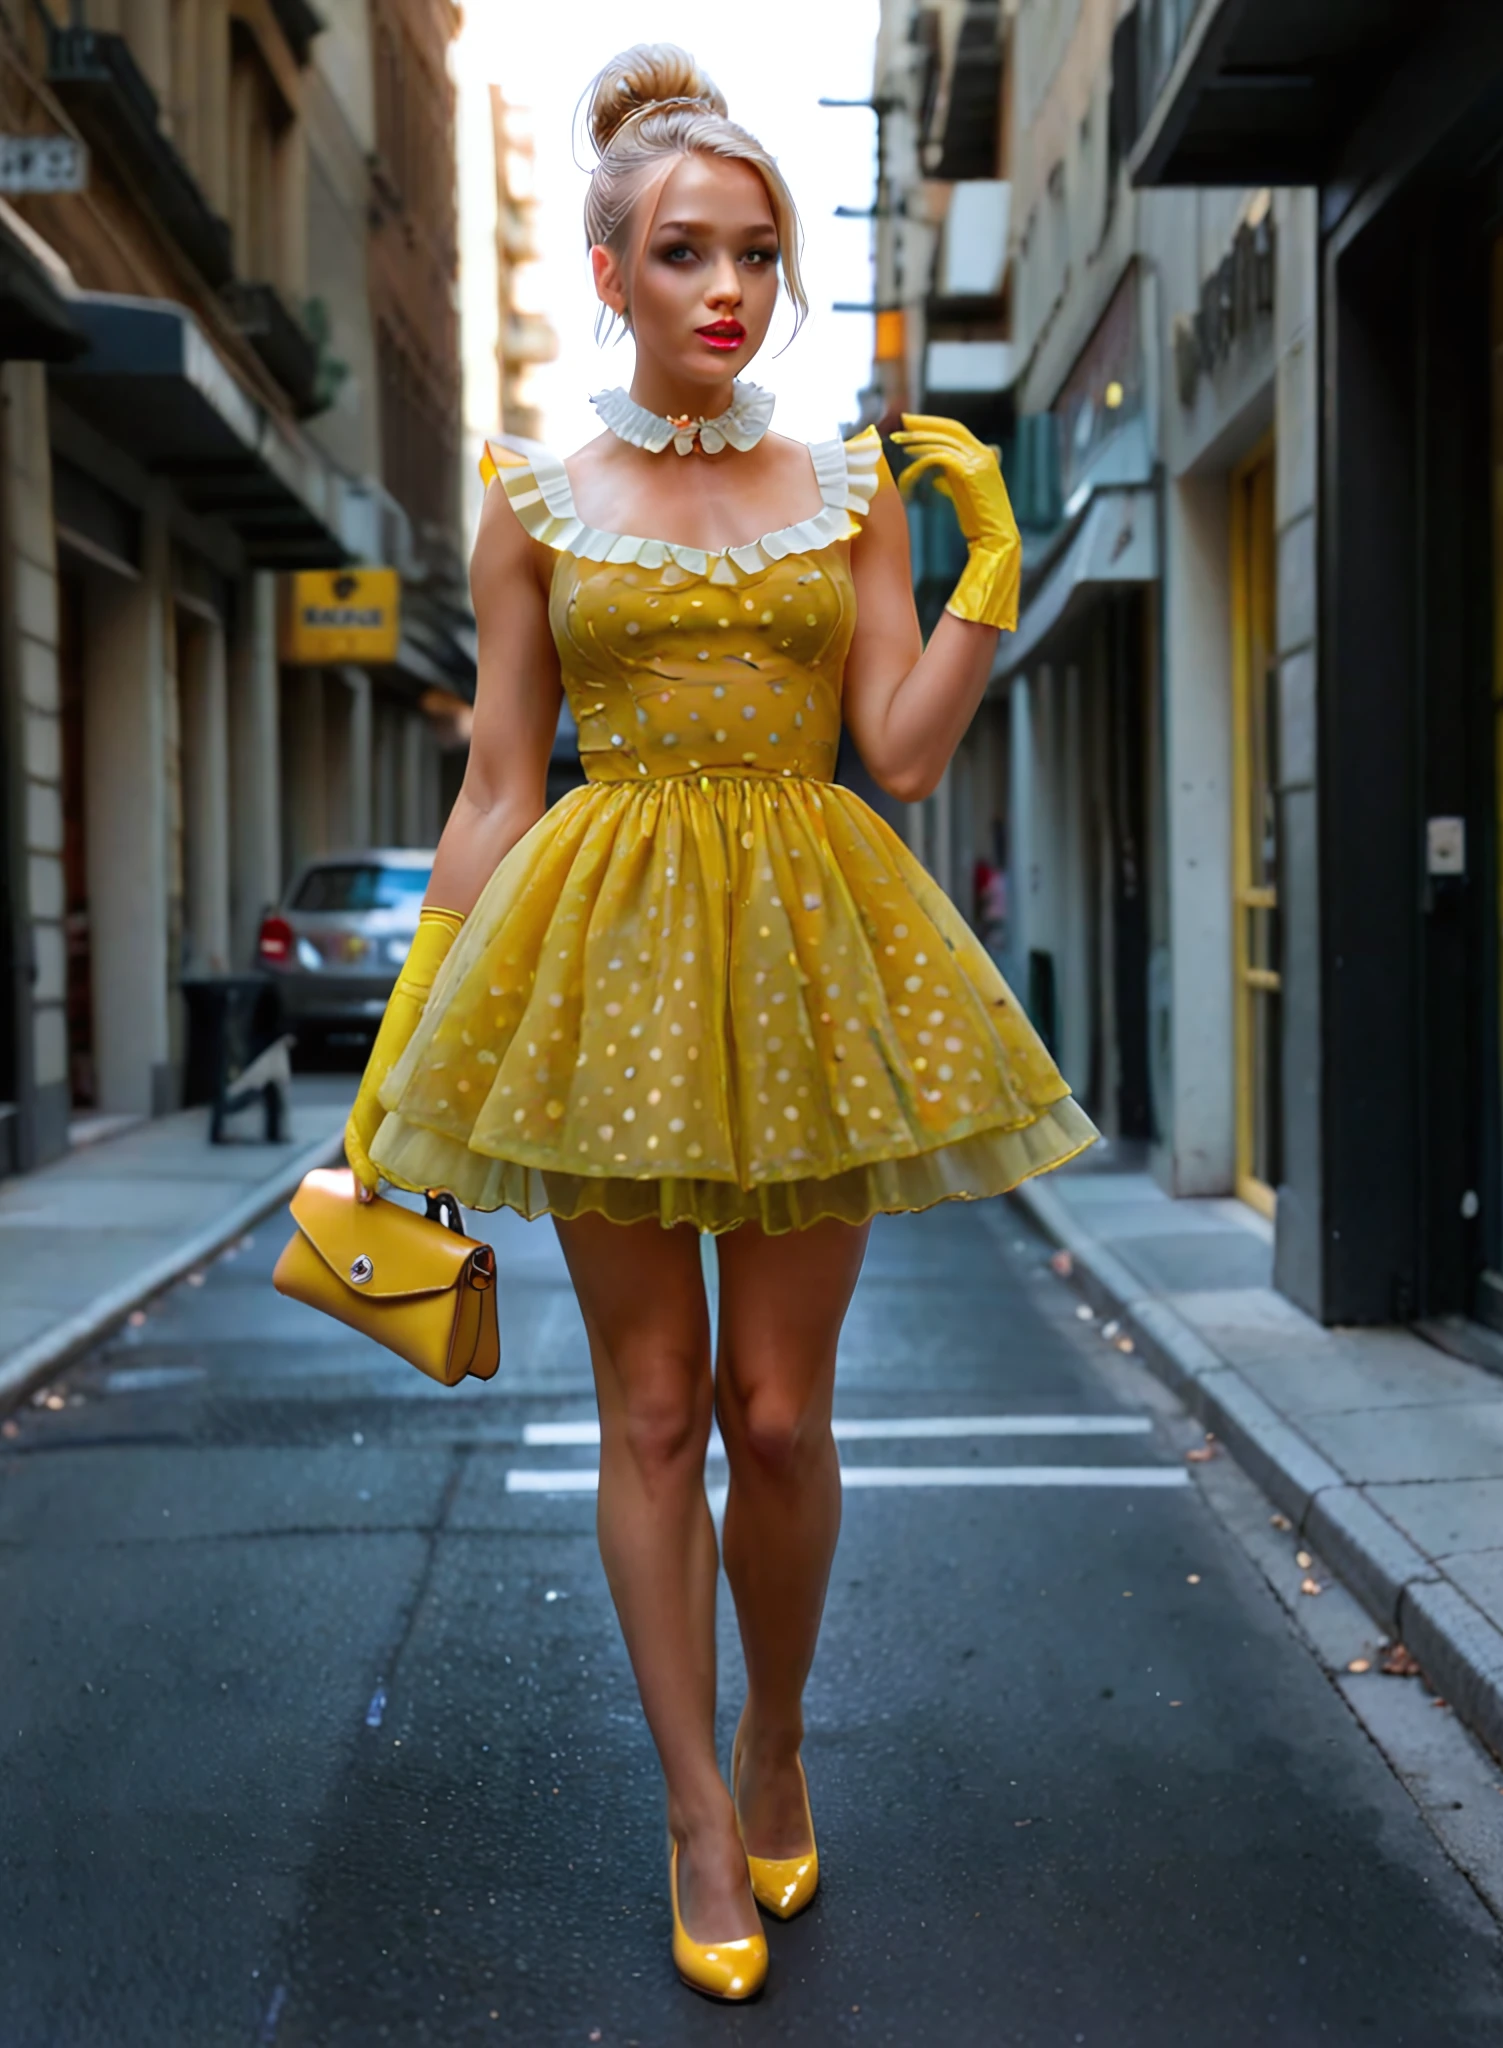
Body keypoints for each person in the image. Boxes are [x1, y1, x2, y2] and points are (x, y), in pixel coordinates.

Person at [340, 44, 1096, 2003]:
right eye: (685, 253)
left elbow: (903, 757)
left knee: (782, 1417)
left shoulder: (845, 484)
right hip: (598, 967)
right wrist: (409, 1045)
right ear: (611, 271)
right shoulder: (530, 495)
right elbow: (501, 784)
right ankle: (694, 1806)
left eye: (758, 253)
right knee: (654, 1412)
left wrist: (988, 573)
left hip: (802, 952)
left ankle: (776, 1732)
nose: (731, 288)